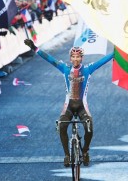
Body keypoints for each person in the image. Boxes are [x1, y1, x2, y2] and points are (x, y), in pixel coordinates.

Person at [24, 38, 114, 167]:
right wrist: (34, 47)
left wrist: (118, 51)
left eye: (78, 57)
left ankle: (85, 151)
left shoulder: (88, 69)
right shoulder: (64, 68)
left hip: (82, 106)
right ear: (70, 58)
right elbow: (49, 59)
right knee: (61, 126)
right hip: (69, 107)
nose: (76, 59)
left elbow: (104, 60)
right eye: (73, 57)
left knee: (89, 127)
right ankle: (66, 155)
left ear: (82, 58)